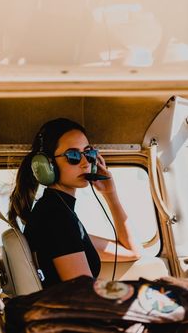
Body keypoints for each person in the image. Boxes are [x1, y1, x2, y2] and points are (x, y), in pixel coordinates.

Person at [8, 118, 141, 288]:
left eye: (89, 153)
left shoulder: (58, 211)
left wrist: (110, 194)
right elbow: (84, 294)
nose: (86, 163)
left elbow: (132, 251)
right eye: (73, 156)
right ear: (47, 166)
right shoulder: (56, 217)